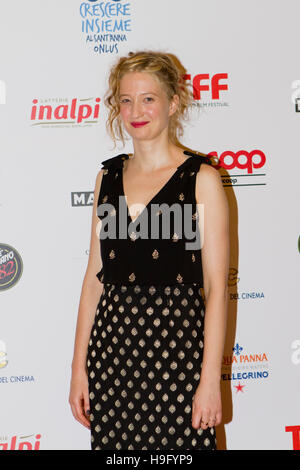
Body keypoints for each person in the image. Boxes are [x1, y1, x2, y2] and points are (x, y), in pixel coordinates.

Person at [69, 51, 229, 450]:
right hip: (113, 362)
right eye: (126, 99)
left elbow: (215, 288)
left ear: (173, 102)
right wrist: (78, 369)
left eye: (148, 98)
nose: (136, 110)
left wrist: (209, 380)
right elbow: (93, 281)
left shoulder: (201, 180)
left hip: (180, 362)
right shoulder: (106, 178)